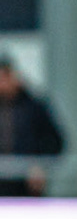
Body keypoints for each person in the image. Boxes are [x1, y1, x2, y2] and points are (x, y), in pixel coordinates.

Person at [0, 56, 63, 196]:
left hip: (27, 184)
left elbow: (55, 141)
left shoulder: (34, 107)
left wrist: (42, 166)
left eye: (4, 78)